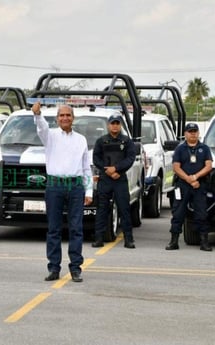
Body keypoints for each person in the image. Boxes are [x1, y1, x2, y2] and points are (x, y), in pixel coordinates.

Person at [31, 102, 93, 283]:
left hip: (75, 187)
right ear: (57, 119)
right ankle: (53, 268)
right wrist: (37, 114)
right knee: (54, 229)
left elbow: (86, 168)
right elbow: (41, 128)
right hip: (55, 186)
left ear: (73, 118)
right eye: (61, 115)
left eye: (68, 115)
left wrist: (89, 190)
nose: (65, 118)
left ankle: (75, 268)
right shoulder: (50, 136)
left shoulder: (81, 139)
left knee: (76, 228)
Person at [92, 113, 136, 249]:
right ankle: (99, 238)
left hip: (120, 179)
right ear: (108, 125)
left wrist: (117, 169)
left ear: (120, 125)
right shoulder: (101, 141)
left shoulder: (127, 141)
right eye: (113, 123)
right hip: (105, 179)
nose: (115, 126)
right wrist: (107, 170)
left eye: (117, 123)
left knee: (124, 209)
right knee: (102, 209)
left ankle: (128, 239)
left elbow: (130, 158)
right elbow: (96, 158)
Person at [166, 123, 213, 251]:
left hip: (199, 185)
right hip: (182, 185)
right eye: (190, 131)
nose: (193, 134)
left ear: (198, 133)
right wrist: (189, 179)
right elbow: (176, 167)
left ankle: (204, 242)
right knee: (178, 212)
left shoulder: (205, 148)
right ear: (185, 134)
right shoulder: (180, 149)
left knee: (201, 213)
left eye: (195, 131)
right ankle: (174, 241)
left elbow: (208, 166)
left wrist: (195, 177)